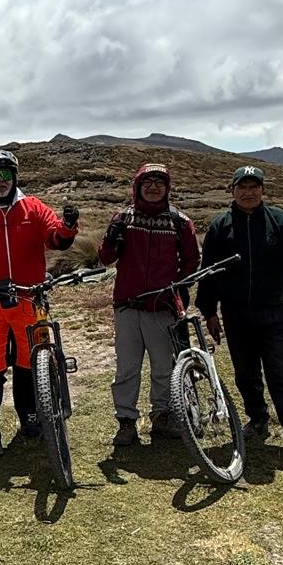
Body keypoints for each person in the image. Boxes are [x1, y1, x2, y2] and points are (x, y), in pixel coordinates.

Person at [196, 165, 283, 464]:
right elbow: (208, 273)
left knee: (281, 377)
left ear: (262, 190)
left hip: (275, 314)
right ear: (232, 191)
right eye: (242, 186)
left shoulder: (279, 220)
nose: (248, 192)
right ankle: (257, 419)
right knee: (246, 374)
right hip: (236, 315)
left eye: (254, 186)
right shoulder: (220, 227)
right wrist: (209, 312)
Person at [0, 148, 79, 457]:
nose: (1, 181)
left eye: (6, 175)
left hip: (29, 299)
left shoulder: (33, 208)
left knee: (29, 363)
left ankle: (29, 416)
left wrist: (68, 225)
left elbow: (56, 239)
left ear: (14, 177)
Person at [99, 163, 200, 447]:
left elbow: (192, 261)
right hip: (128, 307)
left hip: (161, 307)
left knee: (163, 368)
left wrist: (177, 288)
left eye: (160, 182)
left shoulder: (180, 222)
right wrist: (111, 237)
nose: (154, 187)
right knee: (127, 368)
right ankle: (127, 423)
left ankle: (162, 418)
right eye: (148, 182)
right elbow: (106, 258)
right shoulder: (123, 218)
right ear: (138, 186)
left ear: (167, 188)